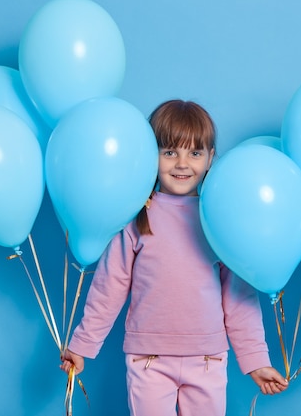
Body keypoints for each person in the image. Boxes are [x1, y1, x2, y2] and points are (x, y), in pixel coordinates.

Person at [60, 99, 288, 415]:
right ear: (150, 157)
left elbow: (239, 299)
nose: (182, 163)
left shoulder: (220, 220)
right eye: (169, 152)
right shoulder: (136, 217)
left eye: (194, 153)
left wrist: (256, 362)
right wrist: (82, 346)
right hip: (148, 359)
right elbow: (108, 289)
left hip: (207, 359)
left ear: (210, 158)